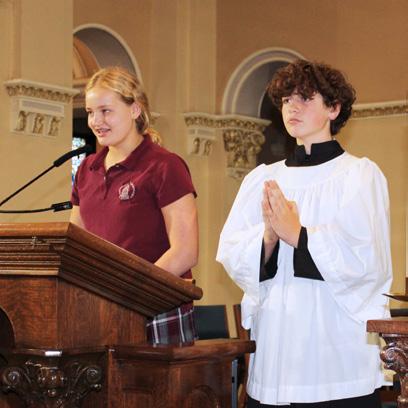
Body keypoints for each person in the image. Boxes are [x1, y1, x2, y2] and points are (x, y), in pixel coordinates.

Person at [216, 60, 392, 407]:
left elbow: (367, 261)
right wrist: (268, 239)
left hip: (336, 355)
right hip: (276, 348)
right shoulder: (262, 179)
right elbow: (233, 254)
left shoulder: (359, 176)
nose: (292, 107)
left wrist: (299, 235)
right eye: (286, 100)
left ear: (333, 108)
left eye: (305, 98)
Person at [70, 66, 199, 345]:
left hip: (157, 307)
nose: (96, 121)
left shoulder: (165, 166)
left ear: (135, 110)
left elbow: (185, 252)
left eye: (106, 111)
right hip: (101, 308)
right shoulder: (86, 170)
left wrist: (131, 294)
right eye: (90, 112)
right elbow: (75, 247)